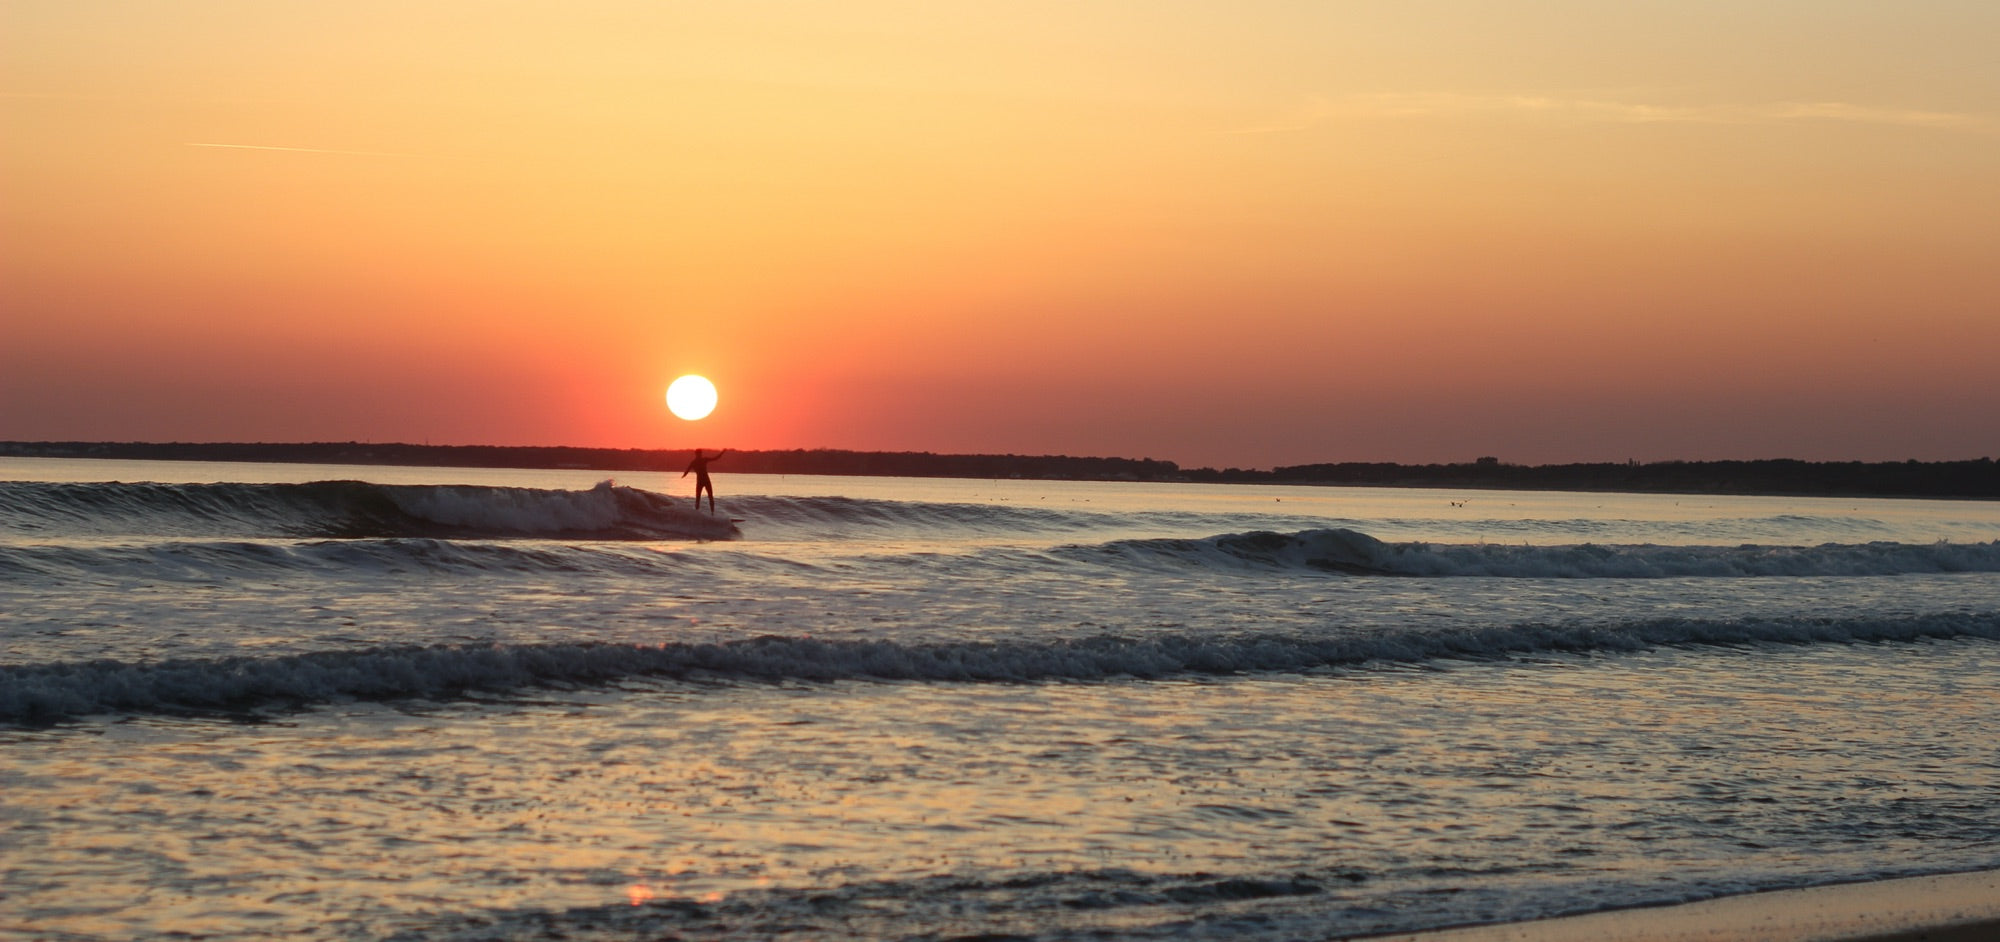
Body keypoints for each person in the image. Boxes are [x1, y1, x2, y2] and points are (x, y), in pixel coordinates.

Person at [682, 449, 727, 513]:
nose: (700, 455)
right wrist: (684, 475)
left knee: (710, 497)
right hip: (700, 482)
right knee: (698, 499)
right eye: (699, 454)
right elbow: (687, 470)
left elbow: (715, 458)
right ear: (696, 454)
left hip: (706, 481)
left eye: (700, 454)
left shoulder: (704, 459)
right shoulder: (694, 462)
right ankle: (697, 514)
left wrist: (722, 453)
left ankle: (712, 513)